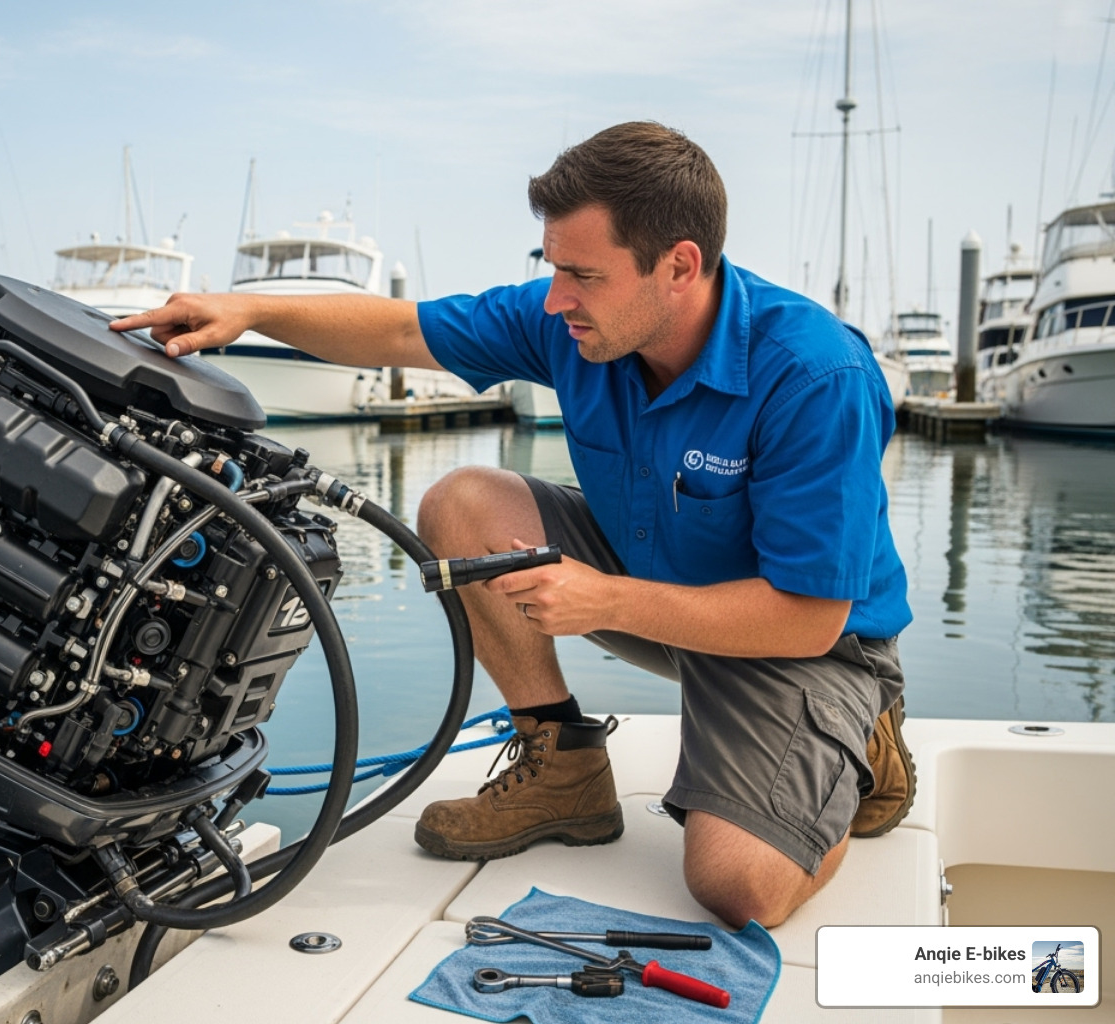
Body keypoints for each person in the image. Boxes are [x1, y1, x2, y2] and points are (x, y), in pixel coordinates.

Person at [110, 121, 913, 929]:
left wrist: (605, 603)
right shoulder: (571, 321)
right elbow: (399, 330)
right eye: (553, 267)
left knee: (737, 887)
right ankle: (562, 764)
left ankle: (858, 755)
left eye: (583, 274)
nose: (558, 296)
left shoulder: (816, 376)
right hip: (649, 581)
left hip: (804, 642)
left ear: (679, 267)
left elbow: (809, 617)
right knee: (461, 503)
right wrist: (244, 310)